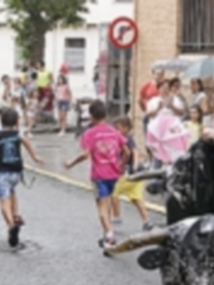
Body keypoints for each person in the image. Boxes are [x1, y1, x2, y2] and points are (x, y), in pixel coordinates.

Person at [64, 100, 129, 248]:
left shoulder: (89, 134)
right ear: (106, 114)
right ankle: (107, 232)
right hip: (114, 173)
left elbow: (86, 154)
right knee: (109, 203)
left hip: (99, 175)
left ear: (91, 117)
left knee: (101, 206)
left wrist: (71, 163)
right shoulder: (114, 131)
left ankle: (109, 236)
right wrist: (121, 165)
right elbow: (127, 151)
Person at [0, 108, 44, 247]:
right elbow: (26, 142)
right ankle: (16, 215)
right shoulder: (18, 134)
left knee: (4, 200)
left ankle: (11, 225)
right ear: (17, 122)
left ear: (0, 120)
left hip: (0, 173)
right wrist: (35, 156)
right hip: (16, 172)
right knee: (12, 192)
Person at [109, 116, 152, 231]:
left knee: (113, 193)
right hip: (138, 174)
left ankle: (117, 216)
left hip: (128, 173)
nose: (115, 131)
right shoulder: (125, 139)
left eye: (118, 128)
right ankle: (146, 220)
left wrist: (134, 165)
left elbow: (135, 152)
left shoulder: (126, 139)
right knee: (137, 198)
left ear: (126, 128)